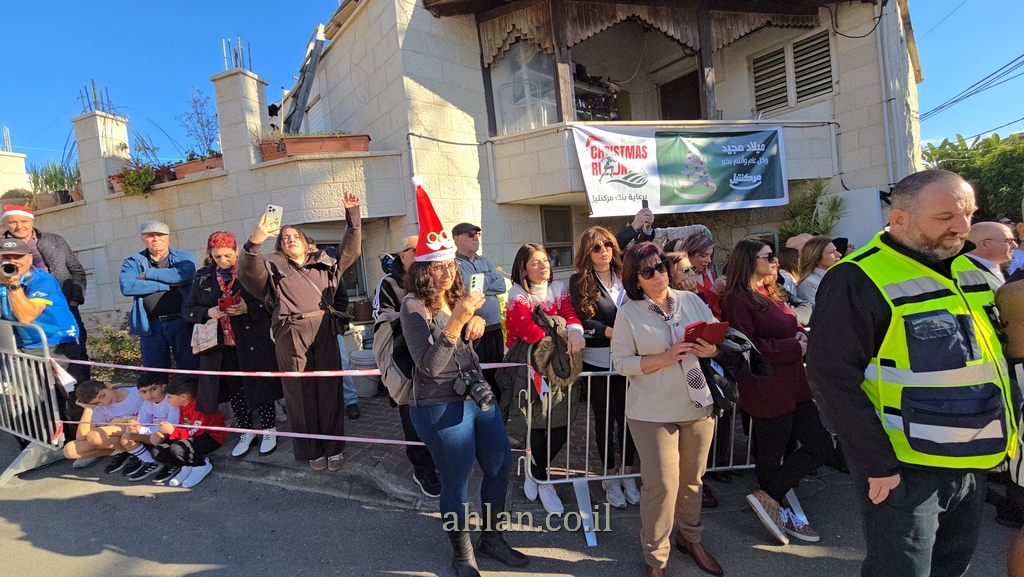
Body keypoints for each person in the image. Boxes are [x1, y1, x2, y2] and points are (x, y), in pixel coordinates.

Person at [807, 169, 1018, 577]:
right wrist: (876, 463)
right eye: (946, 217)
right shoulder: (856, 278)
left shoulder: (974, 272)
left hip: (975, 460)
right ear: (899, 218)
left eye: (969, 214)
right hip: (906, 468)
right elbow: (832, 380)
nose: (963, 227)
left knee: (950, 567)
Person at [399, 178, 527, 577]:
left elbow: (461, 342)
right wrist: (456, 323)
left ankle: (492, 538)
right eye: (438, 267)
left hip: (476, 394)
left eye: (449, 265)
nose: (446, 272)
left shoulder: (455, 296)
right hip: (439, 404)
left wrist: (473, 324)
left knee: (500, 464)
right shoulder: (413, 306)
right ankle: (462, 554)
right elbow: (428, 366)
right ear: (422, 269)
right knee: (456, 481)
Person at [610, 242, 724, 577]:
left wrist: (711, 349)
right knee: (660, 486)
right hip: (651, 411)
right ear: (636, 279)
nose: (658, 274)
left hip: (697, 405)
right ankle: (656, 558)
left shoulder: (691, 300)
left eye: (660, 266)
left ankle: (690, 538)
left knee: (692, 481)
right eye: (648, 271)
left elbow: (718, 338)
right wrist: (664, 357)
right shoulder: (629, 312)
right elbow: (621, 362)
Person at [720, 239, 832, 545]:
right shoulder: (737, 300)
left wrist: (798, 334)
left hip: (793, 382)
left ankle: (768, 497)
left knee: (820, 444)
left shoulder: (772, 291)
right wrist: (793, 346)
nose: (775, 261)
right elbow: (745, 347)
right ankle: (777, 510)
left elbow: (789, 323)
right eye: (768, 256)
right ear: (749, 260)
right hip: (766, 385)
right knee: (771, 450)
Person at [239, 192, 361, 471]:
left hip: (324, 329)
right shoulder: (272, 265)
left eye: (296, 236)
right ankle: (311, 450)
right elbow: (247, 273)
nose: (290, 239)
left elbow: (351, 250)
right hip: (290, 332)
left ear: (306, 242)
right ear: (280, 245)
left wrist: (353, 215)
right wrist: (256, 239)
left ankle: (334, 449)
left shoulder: (326, 261)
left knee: (329, 389)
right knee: (299, 393)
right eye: (285, 237)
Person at [185, 232, 283, 459]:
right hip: (223, 345)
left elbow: (273, 301)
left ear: (236, 250)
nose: (223, 260)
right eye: (217, 256)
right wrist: (208, 312)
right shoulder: (203, 276)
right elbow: (188, 309)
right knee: (235, 390)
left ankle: (269, 429)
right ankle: (246, 431)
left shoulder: (251, 270)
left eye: (227, 255)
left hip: (253, 340)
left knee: (261, 385)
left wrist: (248, 308)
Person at [504, 242, 585, 514]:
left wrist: (574, 330)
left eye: (545, 260)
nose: (543, 266)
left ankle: (535, 470)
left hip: (558, 367)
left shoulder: (558, 289)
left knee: (560, 424)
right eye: (535, 262)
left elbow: (570, 315)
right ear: (523, 268)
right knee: (536, 424)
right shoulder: (518, 294)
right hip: (527, 369)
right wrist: (561, 330)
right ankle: (542, 478)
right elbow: (529, 332)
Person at [568, 226, 639, 510]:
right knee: (605, 418)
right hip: (599, 361)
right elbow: (584, 321)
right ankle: (610, 475)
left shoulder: (626, 275)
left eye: (607, 244)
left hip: (630, 358)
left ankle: (628, 474)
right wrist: (612, 332)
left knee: (629, 418)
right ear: (587, 252)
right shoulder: (579, 281)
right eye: (596, 247)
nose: (604, 251)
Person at [371, 234, 441, 498]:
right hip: (406, 361)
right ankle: (423, 470)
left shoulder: (436, 278)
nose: (423, 253)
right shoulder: (389, 283)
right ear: (403, 255)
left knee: (437, 416)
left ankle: (440, 462)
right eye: (416, 249)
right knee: (413, 418)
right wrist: (414, 316)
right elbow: (380, 318)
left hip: (438, 357)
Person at [3, 204, 89, 374]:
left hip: (58, 306)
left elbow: (76, 271)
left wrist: (73, 301)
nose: (19, 226)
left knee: (76, 355)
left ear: (32, 221)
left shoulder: (54, 240)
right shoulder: (2, 245)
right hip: (18, 309)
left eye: (23, 221)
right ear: (5, 224)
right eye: (13, 222)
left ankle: (84, 387)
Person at [119, 221, 198, 370]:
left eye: (160, 234)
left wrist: (148, 274)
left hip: (182, 322)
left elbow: (183, 276)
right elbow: (127, 286)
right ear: (143, 238)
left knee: (190, 370)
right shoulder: (133, 261)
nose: (156, 238)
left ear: (167, 237)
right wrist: (165, 285)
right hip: (151, 325)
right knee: (154, 373)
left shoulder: (184, 256)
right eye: (150, 235)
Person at [453, 222, 507, 398]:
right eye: (470, 234)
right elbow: (469, 290)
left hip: (494, 328)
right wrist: (488, 277)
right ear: (457, 239)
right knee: (479, 376)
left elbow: (501, 285)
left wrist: (480, 282)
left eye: (477, 234)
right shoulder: (454, 264)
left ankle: (498, 409)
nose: (475, 237)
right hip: (474, 332)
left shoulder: (485, 260)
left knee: (497, 375)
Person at [149, 375, 227, 488]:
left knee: (177, 448)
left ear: (183, 397)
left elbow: (196, 432)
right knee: (157, 451)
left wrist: (172, 431)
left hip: (211, 437)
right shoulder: (180, 406)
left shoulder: (200, 407)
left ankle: (200, 465)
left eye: (170, 397)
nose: (167, 400)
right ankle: (186, 465)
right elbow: (184, 427)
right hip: (188, 435)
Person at [111, 372, 181, 482]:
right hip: (153, 433)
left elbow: (172, 424)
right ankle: (150, 462)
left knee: (155, 437)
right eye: (144, 392)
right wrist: (135, 427)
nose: (149, 395)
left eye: (153, 389)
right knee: (126, 437)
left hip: (172, 434)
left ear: (163, 387)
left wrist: (143, 429)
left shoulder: (170, 400)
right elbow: (143, 421)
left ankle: (172, 463)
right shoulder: (147, 403)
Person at [60, 379, 143, 468]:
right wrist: (88, 408)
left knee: (95, 435)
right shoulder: (99, 408)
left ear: (107, 385)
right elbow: (82, 437)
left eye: (103, 395)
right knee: (69, 450)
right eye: (97, 403)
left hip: (139, 430)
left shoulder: (137, 393)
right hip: (118, 436)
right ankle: (126, 451)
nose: (104, 402)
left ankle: (138, 450)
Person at [679, 233, 722, 318]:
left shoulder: (710, 273)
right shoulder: (681, 278)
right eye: (704, 256)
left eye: (710, 255)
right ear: (689, 254)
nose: (709, 260)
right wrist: (713, 292)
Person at [966, 221, 1016, 289]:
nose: (1015, 245)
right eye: (1008, 241)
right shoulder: (967, 271)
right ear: (984, 244)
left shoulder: (991, 267)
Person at [795, 235, 840, 306]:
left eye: (836, 250)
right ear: (817, 258)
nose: (839, 254)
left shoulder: (837, 276)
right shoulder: (809, 284)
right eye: (832, 252)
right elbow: (819, 310)